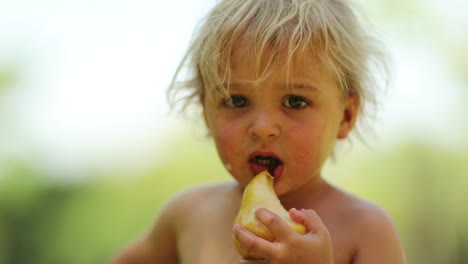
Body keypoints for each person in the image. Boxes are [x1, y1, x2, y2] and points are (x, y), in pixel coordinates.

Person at [111, 0, 406, 263]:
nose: (263, 128)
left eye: (295, 101)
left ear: (346, 115)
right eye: (236, 100)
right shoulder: (188, 214)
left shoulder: (366, 230)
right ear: (205, 111)